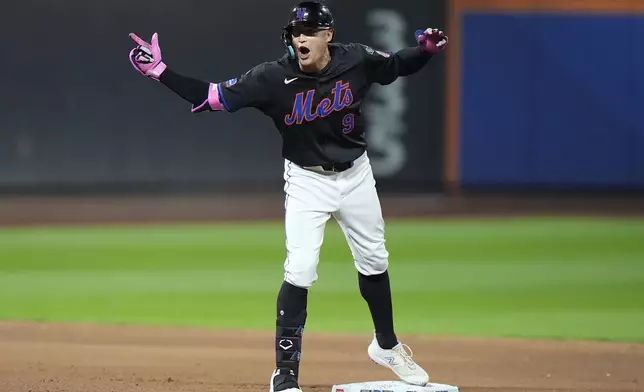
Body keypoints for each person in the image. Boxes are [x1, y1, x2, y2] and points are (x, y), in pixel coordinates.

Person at [128, 2, 448, 391]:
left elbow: (398, 64)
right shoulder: (270, 77)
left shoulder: (357, 59)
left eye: (309, 31)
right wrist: (160, 72)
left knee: (375, 260)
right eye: (296, 32)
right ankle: (285, 372)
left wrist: (427, 52)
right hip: (306, 181)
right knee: (299, 269)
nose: (301, 38)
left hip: (356, 174)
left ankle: (386, 346)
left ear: (327, 35)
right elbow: (212, 96)